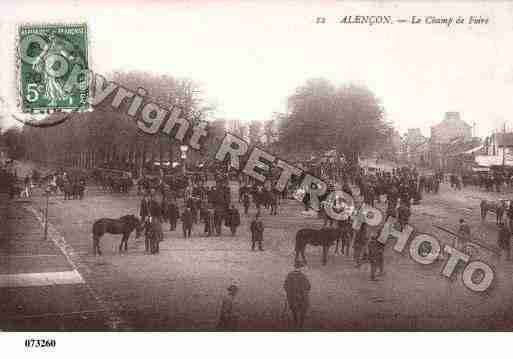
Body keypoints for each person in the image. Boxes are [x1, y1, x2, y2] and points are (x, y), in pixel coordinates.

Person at [284, 260, 311, 329]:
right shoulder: (303, 276)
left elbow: (285, 286)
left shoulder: (289, 275)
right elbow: (308, 286)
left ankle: (295, 320)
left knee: (294, 309)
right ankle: (301, 324)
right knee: (303, 309)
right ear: (301, 268)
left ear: (294, 267)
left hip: (292, 297)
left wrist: (289, 292)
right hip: (302, 297)